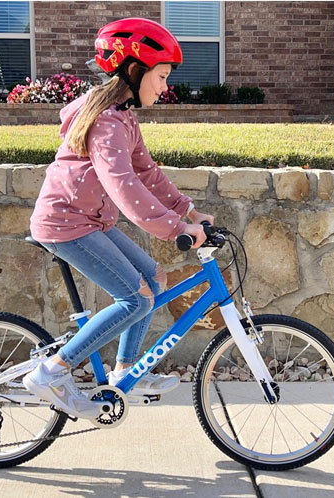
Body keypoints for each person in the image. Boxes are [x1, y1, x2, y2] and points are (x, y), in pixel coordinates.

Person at [25, 18, 214, 418]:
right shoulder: (106, 122)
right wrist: (176, 230)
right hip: (65, 224)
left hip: (90, 221)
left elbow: (146, 172)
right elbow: (124, 187)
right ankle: (52, 373)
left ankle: (127, 371)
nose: (165, 87)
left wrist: (189, 211)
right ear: (134, 69)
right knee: (136, 298)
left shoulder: (123, 114)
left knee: (154, 279)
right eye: (161, 76)